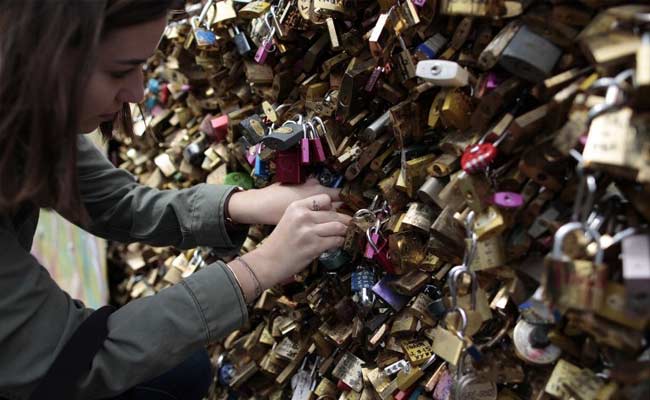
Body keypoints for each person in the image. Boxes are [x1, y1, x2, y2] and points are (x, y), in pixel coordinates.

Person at [0, 1, 351, 399]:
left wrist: (242, 205)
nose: (135, 90)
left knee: (185, 368)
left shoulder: (24, 107)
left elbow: (115, 203)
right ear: (41, 58)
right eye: (118, 70)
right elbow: (69, 361)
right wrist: (261, 267)